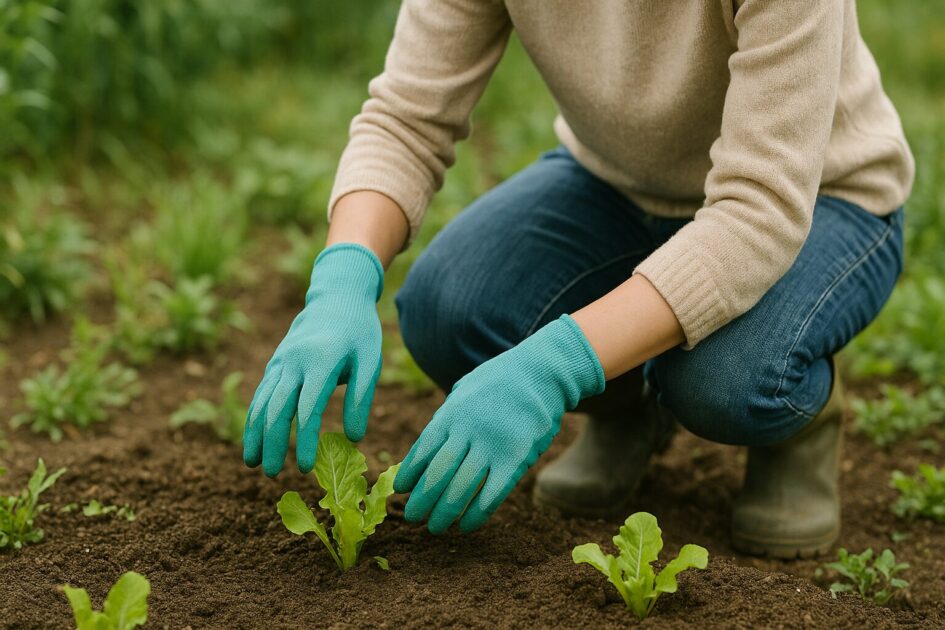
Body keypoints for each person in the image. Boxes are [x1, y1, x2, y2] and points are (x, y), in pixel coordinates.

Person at [242, 0, 913, 559]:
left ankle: (793, 422)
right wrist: (344, 276)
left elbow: (757, 213)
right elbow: (404, 118)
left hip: (819, 200)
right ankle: (627, 410)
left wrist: (556, 364)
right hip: (617, 185)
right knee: (449, 308)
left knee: (721, 381)